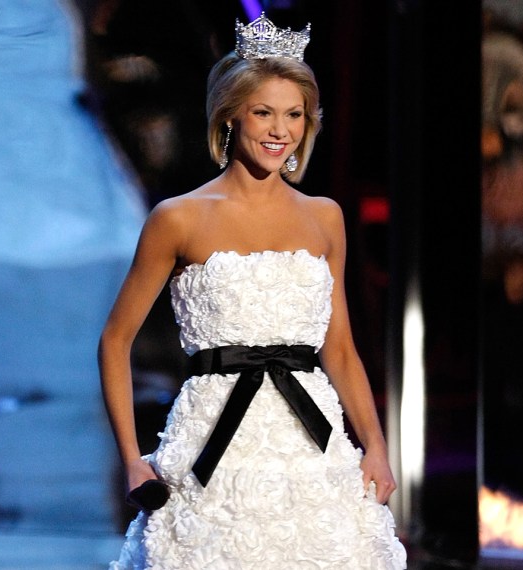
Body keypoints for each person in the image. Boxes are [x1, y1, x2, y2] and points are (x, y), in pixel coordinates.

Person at [99, 13, 407, 569]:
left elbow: (339, 349)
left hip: (312, 451)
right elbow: (115, 340)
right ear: (230, 116)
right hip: (212, 450)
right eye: (263, 112)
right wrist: (130, 460)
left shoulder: (324, 218)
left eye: (294, 115)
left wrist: (377, 450)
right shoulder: (179, 218)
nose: (278, 129)